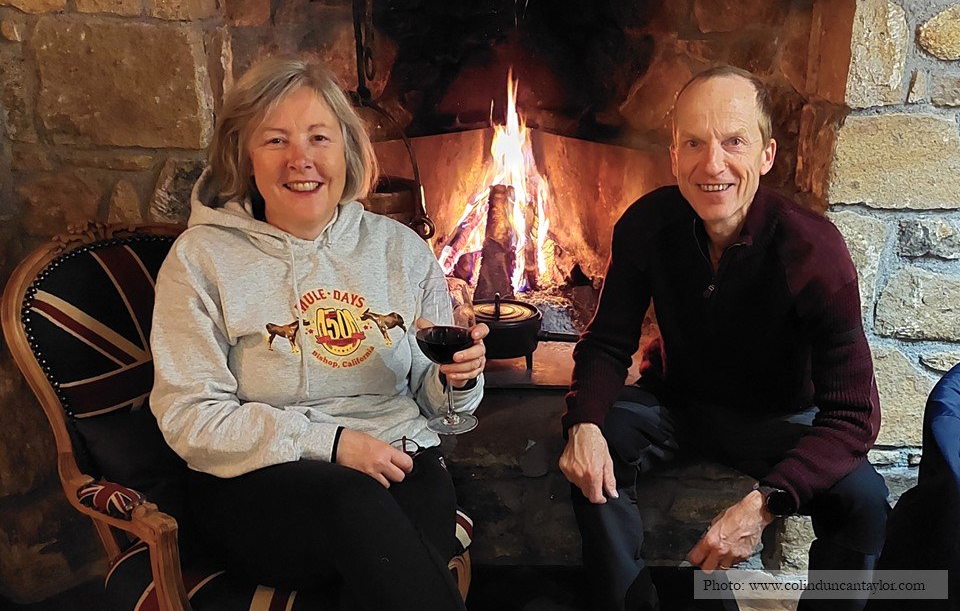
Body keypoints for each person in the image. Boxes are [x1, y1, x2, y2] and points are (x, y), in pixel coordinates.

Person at [149, 55, 487, 611]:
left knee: (389, 558)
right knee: (361, 518)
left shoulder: (400, 251)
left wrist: (456, 379)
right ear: (245, 157)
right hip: (257, 482)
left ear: (347, 152)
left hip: (399, 458)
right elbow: (191, 416)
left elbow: (430, 403)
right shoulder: (202, 259)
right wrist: (329, 444)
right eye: (276, 140)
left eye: (318, 137)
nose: (301, 159)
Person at [559, 66, 889, 611]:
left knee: (865, 499)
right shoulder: (646, 225)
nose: (712, 164)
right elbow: (606, 343)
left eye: (734, 141)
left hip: (781, 419)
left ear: (766, 155)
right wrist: (585, 420)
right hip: (680, 405)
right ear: (673, 156)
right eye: (694, 143)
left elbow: (854, 416)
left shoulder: (813, 252)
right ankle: (629, 601)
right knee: (598, 438)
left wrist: (764, 503)